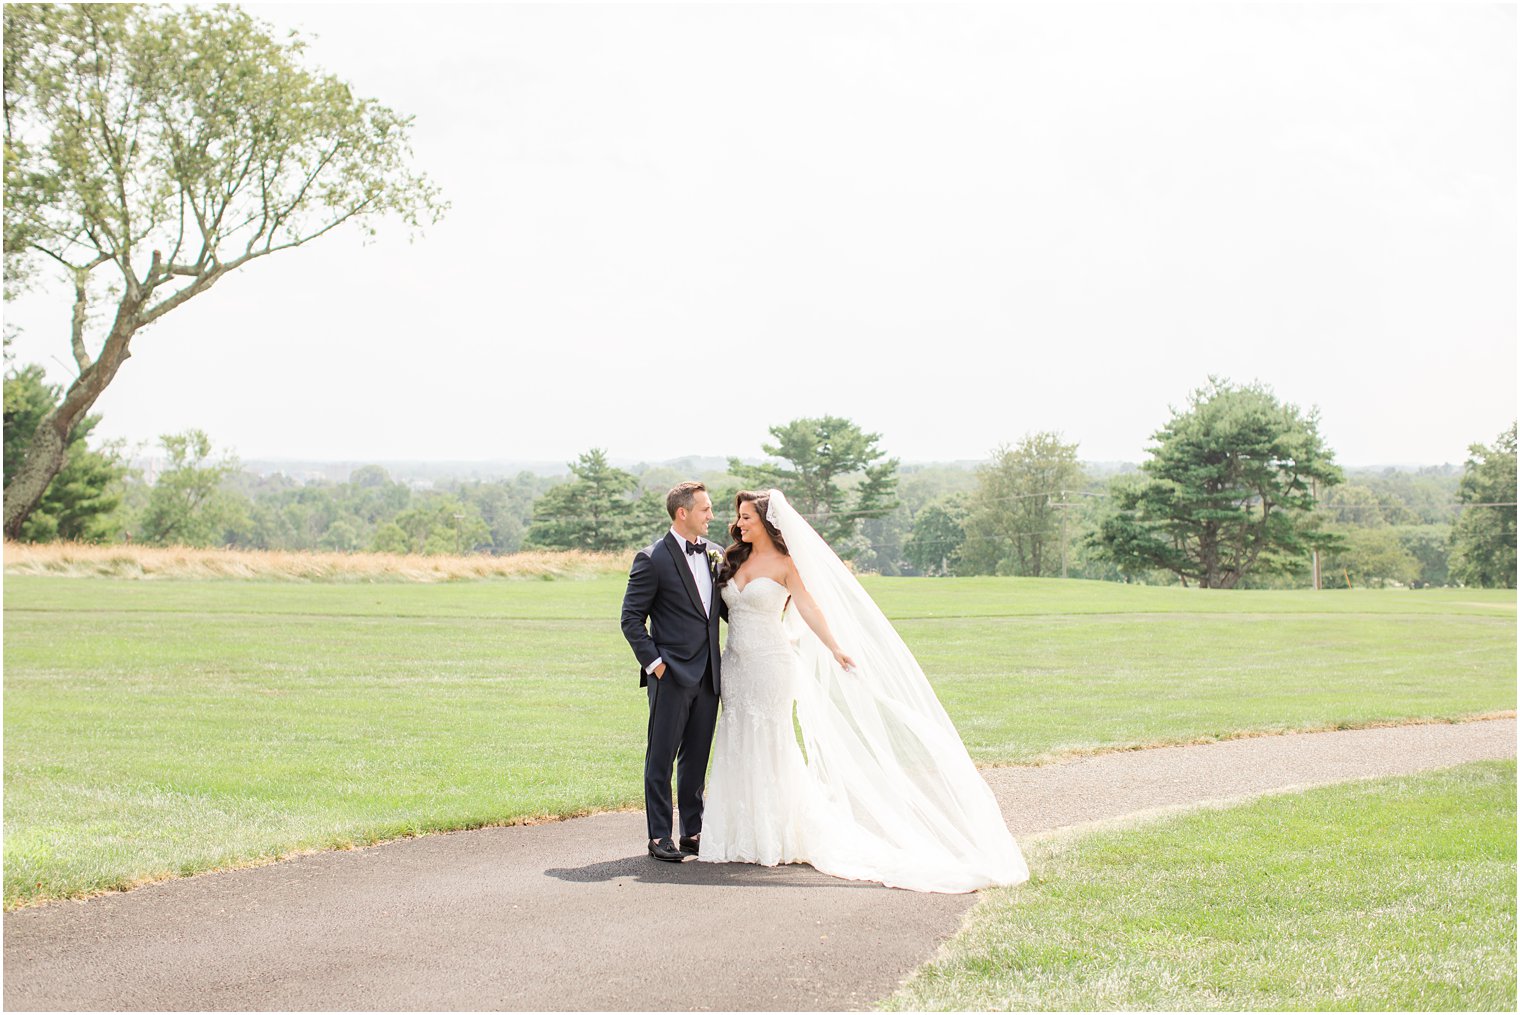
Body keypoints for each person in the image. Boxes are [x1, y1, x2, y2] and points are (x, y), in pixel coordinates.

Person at [696, 489, 1029, 893]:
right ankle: (736, 833)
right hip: (736, 666)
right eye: (740, 518)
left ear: (767, 522)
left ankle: (772, 834)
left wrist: (835, 647)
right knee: (737, 739)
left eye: (747, 517)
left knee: (771, 741)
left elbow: (809, 607)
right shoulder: (733, 559)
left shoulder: (785, 564)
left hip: (771, 665)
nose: (739, 524)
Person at [619, 481, 726, 862]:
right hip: (670, 676)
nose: (711, 516)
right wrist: (656, 665)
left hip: (709, 676)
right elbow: (631, 619)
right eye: (705, 509)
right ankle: (659, 836)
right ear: (683, 513)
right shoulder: (652, 559)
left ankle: (692, 832)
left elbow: (727, 610)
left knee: (697, 758)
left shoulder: (716, 555)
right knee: (660, 758)